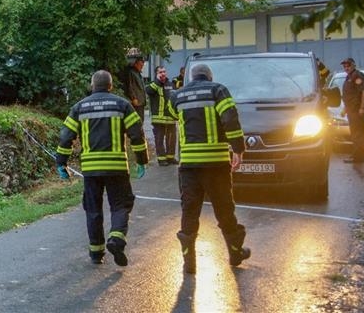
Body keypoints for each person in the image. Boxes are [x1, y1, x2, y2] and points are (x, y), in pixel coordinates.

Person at [55, 70, 148, 267]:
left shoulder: (79, 107)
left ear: (92, 85)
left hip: (91, 169)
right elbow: (137, 134)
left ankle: (96, 252)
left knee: (93, 209)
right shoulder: (122, 105)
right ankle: (116, 237)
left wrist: (61, 162)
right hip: (116, 167)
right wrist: (141, 159)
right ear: (110, 86)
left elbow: (66, 137)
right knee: (121, 205)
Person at [166, 63, 250, 274]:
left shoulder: (178, 95)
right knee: (224, 209)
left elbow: (171, 113)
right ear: (209, 76)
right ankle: (235, 253)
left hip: (189, 165)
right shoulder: (217, 90)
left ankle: (189, 263)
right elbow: (230, 119)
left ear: (192, 78)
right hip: (216, 163)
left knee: (189, 210)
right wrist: (238, 149)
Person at [146, 66, 177, 166]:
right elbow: (149, 91)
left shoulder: (171, 84)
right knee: (159, 140)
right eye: (160, 72)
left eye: (164, 71)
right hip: (158, 119)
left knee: (172, 139)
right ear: (156, 74)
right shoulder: (153, 84)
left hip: (170, 118)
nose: (163, 74)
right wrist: (158, 81)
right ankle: (162, 159)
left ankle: (171, 158)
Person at [340, 57, 364, 164]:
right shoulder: (349, 77)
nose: (346, 68)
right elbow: (349, 96)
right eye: (345, 66)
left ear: (354, 65)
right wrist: (345, 109)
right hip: (351, 110)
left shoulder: (358, 75)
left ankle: (358, 158)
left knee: (357, 134)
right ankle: (357, 155)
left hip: (357, 110)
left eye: (348, 65)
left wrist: (362, 107)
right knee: (355, 134)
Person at [123, 56, 147, 124]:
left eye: (142, 65)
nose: (142, 67)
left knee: (141, 119)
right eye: (140, 65)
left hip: (141, 101)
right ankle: (137, 133)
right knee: (137, 121)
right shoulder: (132, 73)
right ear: (135, 64)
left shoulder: (138, 73)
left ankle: (140, 133)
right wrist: (133, 98)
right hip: (137, 101)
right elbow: (130, 86)